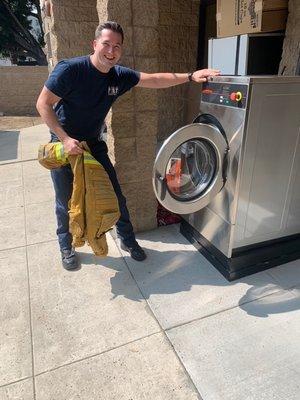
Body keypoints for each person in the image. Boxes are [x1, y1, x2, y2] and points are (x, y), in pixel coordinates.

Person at [36, 21, 220, 270]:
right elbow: (43, 104)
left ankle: (127, 239)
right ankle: (65, 246)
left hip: (93, 145)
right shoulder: (70, 70)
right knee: (66, 200)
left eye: (117, 46)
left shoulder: (118, 75)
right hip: (64, 144)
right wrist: (65, 139)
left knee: (116, 195)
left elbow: (153, 79)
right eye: (106, 44)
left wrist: (190, 76)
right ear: (94, 44)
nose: (111, 51)